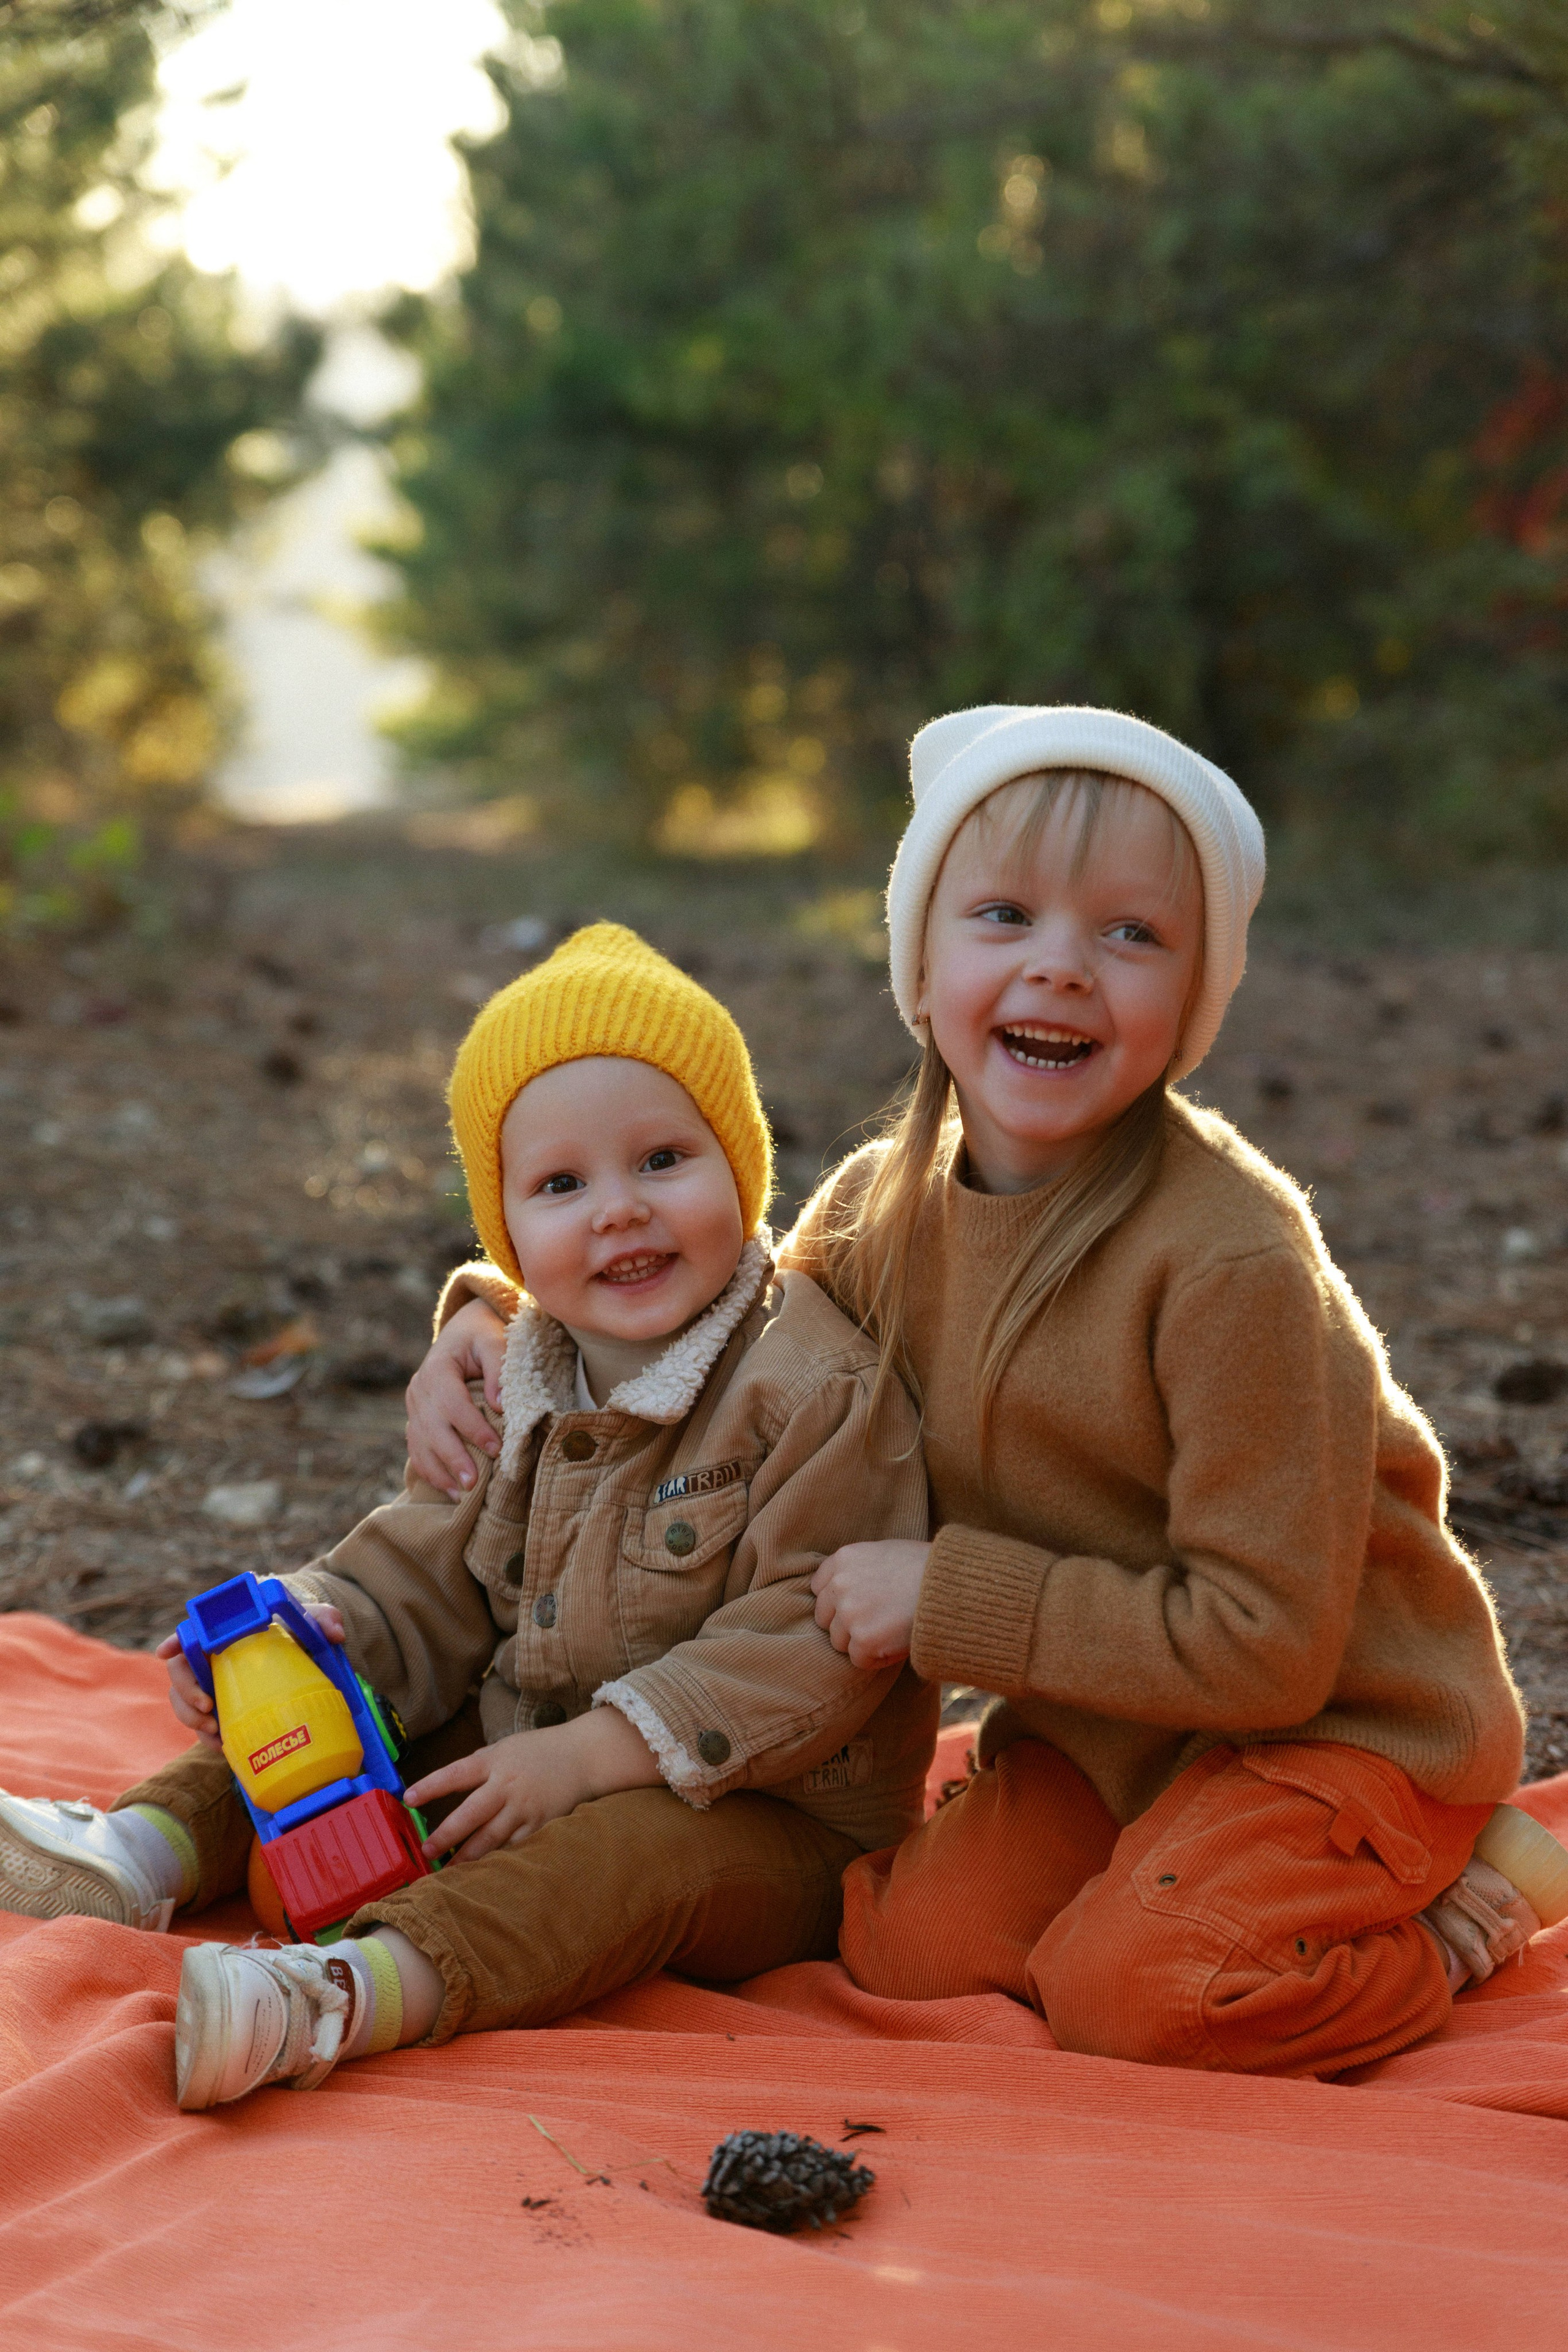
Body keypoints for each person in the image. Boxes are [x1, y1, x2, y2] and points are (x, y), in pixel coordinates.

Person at [410, 706, 1558, 2079]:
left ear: (1194, 992)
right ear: (922, 958)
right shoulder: (882, 1211)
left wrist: (941, 1594)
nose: (1061, 969)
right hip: (1114, 1727)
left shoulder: (1228, 1261)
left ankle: (1453, 1910)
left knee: (1137, 1997)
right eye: (1003, 914)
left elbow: (1266, 1646)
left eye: (1130, 934)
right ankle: (1179, 1871)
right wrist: (487, 1310)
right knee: (900, 1943)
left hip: (1332, 1722)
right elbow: (707, 1308)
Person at [0, 923, 931, 2108]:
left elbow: (812, 1641)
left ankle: (354, 1992)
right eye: (561, 1185)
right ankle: (143, 1853)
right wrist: (303, 1631)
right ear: (505, 1232)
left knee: (625, 1859)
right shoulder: (528, 1364)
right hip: (529, 1737)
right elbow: (426, 1570)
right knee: (343, 1713)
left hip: (761, 1817)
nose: (619, 1213)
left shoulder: (812, 1386)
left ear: (742, 1167)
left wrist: (592, 1758)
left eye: (662, 1160)